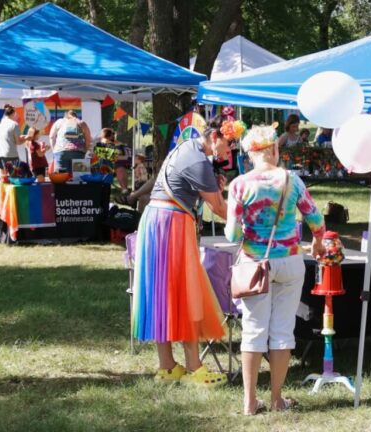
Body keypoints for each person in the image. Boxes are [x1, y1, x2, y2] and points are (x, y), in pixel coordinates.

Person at [226, 124, 326, 415]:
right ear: (275, 150)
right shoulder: (292, 180)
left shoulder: (240, 185)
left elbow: (232, 236)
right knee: (283, 331)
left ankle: (248, 402)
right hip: (291, 262)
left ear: (249, 154)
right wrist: (318, 243)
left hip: (255, 264)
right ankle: (277, 399)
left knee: (253, 331)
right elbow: (317, 220)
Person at [131, 120, 230, 387]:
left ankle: (167, 366)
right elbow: (220, 208)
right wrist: (252, 221)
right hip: (172, 224)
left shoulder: (187, 148)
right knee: (185, 292)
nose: (229, 151)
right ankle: (195, 368)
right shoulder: (198, 161)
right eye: (229, 143)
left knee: (161, 293)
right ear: (215, 136)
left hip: (156, 219)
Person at [0, 104, 26, 179]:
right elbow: (18, 142)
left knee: (3, 179)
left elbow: (5, 137)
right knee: (15, 179)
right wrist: (26, 138)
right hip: (12, 155)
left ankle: (1, 191)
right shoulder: (14, 124)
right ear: (14, 113)